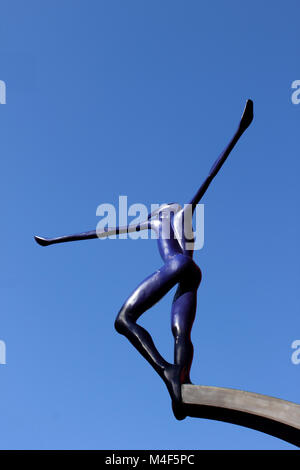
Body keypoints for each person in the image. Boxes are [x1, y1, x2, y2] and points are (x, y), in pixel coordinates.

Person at [35, 99, 253, 419]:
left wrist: (56, 241)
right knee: (181, 333)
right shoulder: (185, 214)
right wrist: (239, 132)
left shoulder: (157, 218)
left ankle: (166, 370)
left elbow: (101, 231)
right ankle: (183, 381)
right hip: (192, 272)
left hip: (175, 266)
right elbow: (209, 177)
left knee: (124, 319)